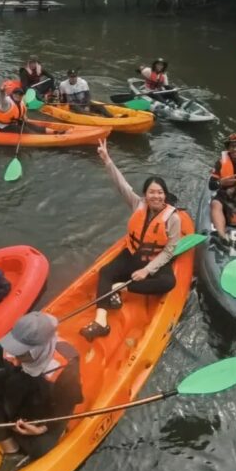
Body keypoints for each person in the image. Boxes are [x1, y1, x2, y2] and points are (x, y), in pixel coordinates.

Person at [80, 139, 182, 342]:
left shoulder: (173, 219)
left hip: (154, 259)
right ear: (145, 195)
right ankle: (101, 321)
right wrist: (107, 160)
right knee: (105, 271)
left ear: (165, 195)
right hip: (132, 254)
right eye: (152, 192)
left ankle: (122, 287)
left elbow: (169, 251)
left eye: (160, 192)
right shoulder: (137, 204)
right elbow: (121, 184)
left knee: (168, 282)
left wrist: (147, 270)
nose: (156, 196)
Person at [0, 312, 83, 471]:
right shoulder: (7, 348)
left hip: (40, 409)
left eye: (21, 354)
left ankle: (22, 440)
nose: (14, 358)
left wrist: (42, 428)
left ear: (37, 350)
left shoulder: (67, 367)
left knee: (39, 447)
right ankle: (11, 451)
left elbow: (65, 407)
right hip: (13, 392)